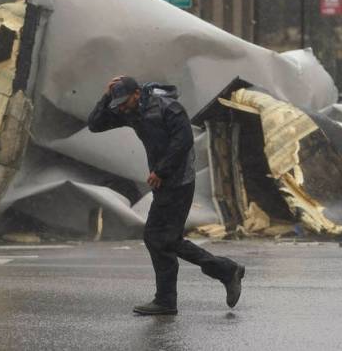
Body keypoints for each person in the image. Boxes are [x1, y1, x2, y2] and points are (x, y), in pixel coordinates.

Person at [88, 75, 245, 316]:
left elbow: (183, 142)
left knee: (160, 238)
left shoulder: (168, 107)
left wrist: (161, 170)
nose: (121, 107)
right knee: (162, 239)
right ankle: (206, 280)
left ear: (137, 94)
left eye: (123, 101)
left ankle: (185, 290)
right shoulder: (130, 110)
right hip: (164, 182)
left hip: (179, 180)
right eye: (117, 103)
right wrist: (107, 96)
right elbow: (95, 125)